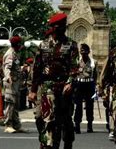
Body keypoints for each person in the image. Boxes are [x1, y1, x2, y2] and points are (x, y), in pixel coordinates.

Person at [28, 12, 80, 149]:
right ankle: (47, 144)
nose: (59, 29)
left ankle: (67, 142)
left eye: (62, 26)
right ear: (53, 27)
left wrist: (70, 82)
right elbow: (37, 69)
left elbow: (74, 68)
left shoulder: (71, 45)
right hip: (47, 88)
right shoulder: (43, 45)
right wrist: (33, 90)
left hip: (64, 90)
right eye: (57, 27)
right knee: (45, 120)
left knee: (66, 121)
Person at [3, 36, 27, 133]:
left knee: (15, 105)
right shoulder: (10, 54)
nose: (21, 46)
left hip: (16, 83)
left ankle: (16, 125)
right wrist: (8, 77)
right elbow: (7, 67)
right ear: (17, 45)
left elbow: (14, 67)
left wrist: (21, 69)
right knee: (10, 104)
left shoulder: (15, 53)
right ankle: (8, 125)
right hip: (11, 83)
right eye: (20, 44)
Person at [73, 43, 97, 134]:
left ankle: (89, 125)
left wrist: (96, 86)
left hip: (89, 85)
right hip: (79, 85)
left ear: (88, 52)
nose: (83, 54)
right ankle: (77, 125)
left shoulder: (93, 62)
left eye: (85, 52)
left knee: (89, 106)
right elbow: (74, 74)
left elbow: (95, 76)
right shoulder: (77, 61)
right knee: (78, 106)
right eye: (82, 52)